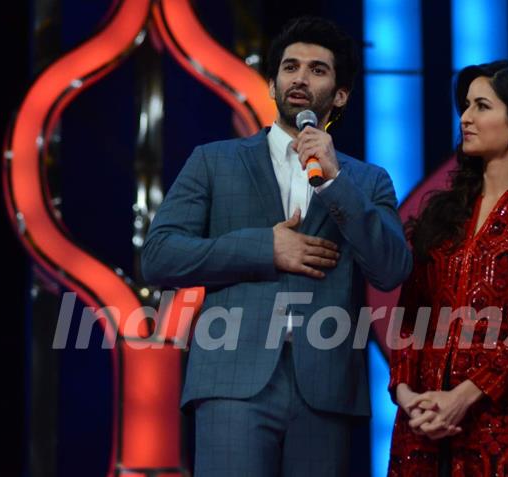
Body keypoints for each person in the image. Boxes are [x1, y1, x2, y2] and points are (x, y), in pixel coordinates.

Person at [141, 16, 412, 477]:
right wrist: (263, 247)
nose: (300, 78)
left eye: (318, 69)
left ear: (341, 95)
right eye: (290, 67)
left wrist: (337, 183)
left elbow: (391, 268)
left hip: (326, 389)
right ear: (272, 84)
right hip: (232, 381)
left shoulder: (368, 180)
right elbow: (160, 256)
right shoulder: (213, 161)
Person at [388, 59, 508, 476]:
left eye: (481, 106)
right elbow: (411, 316)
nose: (465, 118)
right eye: (465, 106)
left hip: (505, 422)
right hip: (421, 424)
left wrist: (464, 395)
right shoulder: (444, 213)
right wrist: (406, 394)